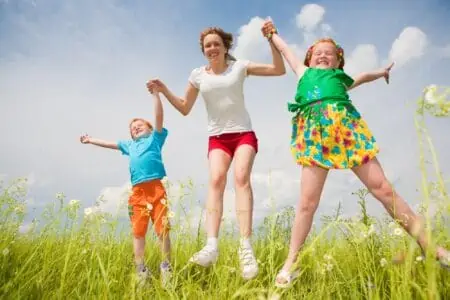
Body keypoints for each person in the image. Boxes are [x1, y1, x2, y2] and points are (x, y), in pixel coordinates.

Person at [260, 20, 450, 288]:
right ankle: (292, 261)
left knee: (383, 189)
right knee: (307, 203)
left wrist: (381, 72)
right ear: (309, 59)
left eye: (330, 53)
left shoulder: (341, 79)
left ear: (338, 62)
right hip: (316, 136)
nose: (324, 55)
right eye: (318, 53)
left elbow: (361, 77)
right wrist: (272, 34)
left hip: (348, 132)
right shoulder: (302, 72)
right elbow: (286, 50)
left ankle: (429, 246)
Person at [146, 24, 286, 280]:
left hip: (243, 133)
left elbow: (279, 70)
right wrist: (164, 90)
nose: (212, 48)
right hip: (217, 138)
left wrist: (271, 42)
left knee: (241, 179)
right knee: (216, 180)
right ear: (204, 50)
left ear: (224, 46)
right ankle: (212, 245)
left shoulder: (240, 66)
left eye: (216, 44)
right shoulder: (198, 75)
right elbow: (185, 107)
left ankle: (245, 247)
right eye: (207, 45)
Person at [80, 92, 172, 287]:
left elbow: (159, 116)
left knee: (162, 230)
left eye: (139, 125)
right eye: (132, 128)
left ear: (149, 128)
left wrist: (156, 95)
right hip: (138, 193)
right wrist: (90, 140)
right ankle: (141, 270)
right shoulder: (130, 145)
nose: (135, 128)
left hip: (156, 190)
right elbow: (109, 144)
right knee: (138, 233)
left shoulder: (155, 139)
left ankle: (166, 267)